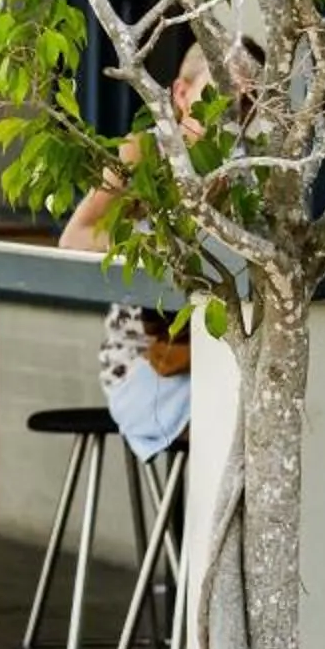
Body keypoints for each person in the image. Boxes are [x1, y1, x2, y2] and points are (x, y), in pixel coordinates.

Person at [59, 39, 262, 466]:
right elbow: (75, 236)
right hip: (148, 363)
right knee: (241, 411)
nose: (235, 115)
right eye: (221, 99)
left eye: (249, 102)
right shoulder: (144, 152)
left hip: (221, 352)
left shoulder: (251, 172)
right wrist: (158, 244)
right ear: (181, 93)